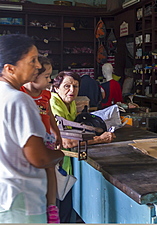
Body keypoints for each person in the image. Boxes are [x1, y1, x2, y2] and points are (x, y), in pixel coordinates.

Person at [0, 34, 64, 223]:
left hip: (6, 197)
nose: (38, 66)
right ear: (10, 68)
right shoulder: (19, 99)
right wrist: (60, 155)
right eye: (32, 60)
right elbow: (40, 158)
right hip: (23, 201)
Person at [50, 70, 116, 222]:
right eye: (67, 86)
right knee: (58, 213)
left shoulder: (70, 103)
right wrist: (99, 139)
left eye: (75, 86)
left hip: (64, 166)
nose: (72, 90)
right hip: (54, 168)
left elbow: (74, 131)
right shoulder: (54, 104)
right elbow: (65, 142)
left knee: (65, 210)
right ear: (56, 87)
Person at [21, 56, 62, 223]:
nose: (49, 80)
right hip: (29, 139)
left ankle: (51, 206)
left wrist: (56, 132)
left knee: (50, 169)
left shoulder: (47, 94)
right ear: (32, 75)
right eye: (46, 76)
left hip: (45, 137)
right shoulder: (20, 93)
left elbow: (49, 114)